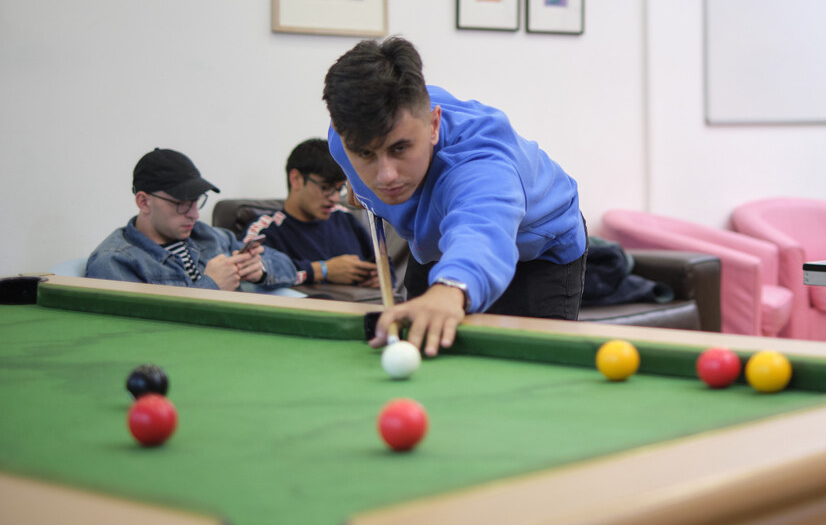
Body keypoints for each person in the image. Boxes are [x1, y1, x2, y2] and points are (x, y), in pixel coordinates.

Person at [322, 36, 588, 356]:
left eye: (400, 148)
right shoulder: (342, 139)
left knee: (532, 376)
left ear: (433, 125)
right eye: (365, 153)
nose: (386, 176)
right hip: (439, 241)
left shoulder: (480, 162)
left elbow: (483, 231)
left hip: (539, 251)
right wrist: (357, 178)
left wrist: (452, 289)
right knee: (423, 342)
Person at [86, 148, 298, 292]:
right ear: (143, 202)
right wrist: (210, 286)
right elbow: (142, 330)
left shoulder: (208, 236)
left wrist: (259, 270)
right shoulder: (114, 261)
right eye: (181, 203)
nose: (194, 214)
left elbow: (288, 267)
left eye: (196, 201)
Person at [242, 138, 382, 290]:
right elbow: (251, 270)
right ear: (295, 179)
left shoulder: (344, 217)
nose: (335, 198)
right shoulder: (267, 229)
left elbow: (383, 264)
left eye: (339, 188)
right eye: (325, 187)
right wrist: (323, 270)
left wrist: (378, 278)